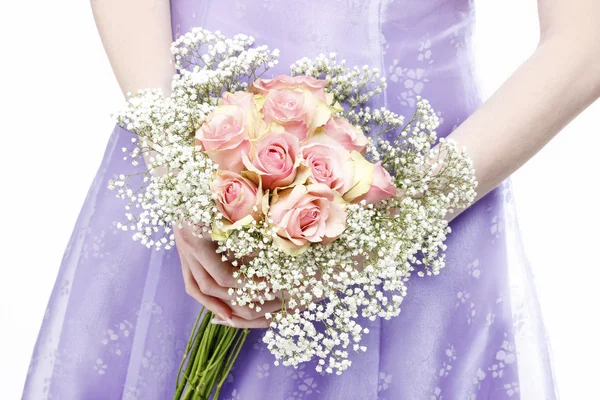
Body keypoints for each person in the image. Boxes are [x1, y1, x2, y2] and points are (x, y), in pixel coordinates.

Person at [22, 0, 599, 398]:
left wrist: (395, 222)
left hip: (420, 186)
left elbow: (586, 39)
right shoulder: (177, 168)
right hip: (185, 166)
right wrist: (175, 164)